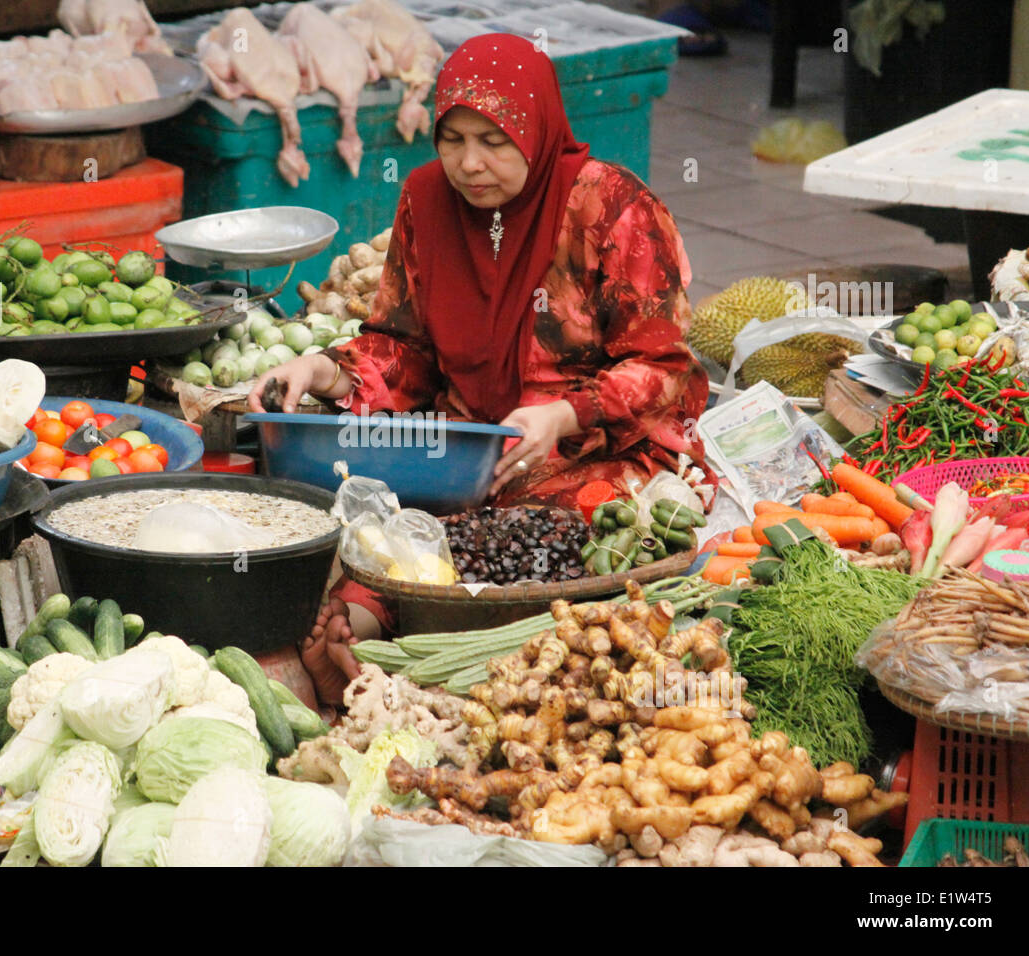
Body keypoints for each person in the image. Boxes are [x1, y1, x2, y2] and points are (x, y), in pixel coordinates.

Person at [248, 33, 708, 705]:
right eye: (453, 138)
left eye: (495, 141)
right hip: (465, 451)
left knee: (530, 540)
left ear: (537, 127)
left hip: (598, 451)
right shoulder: (426, 201)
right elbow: (403, 349)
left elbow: (664, 367)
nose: (469, 164)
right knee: (391, 531)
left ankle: (401, 652)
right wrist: (323, 370)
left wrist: (565, 413)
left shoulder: (610, 208)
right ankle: (354, 641)